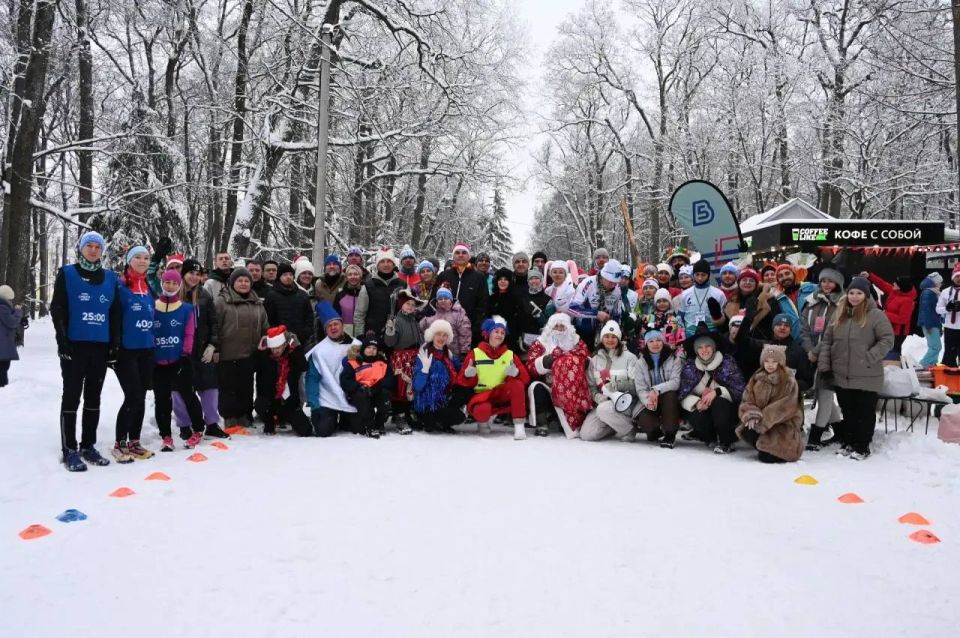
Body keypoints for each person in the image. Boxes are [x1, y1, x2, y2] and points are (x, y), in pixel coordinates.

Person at [51, 231, 121, 471]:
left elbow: (115, 314)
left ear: (102, 251)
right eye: (89, 246)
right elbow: (57, 308)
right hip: (74, 346)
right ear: (80, 248)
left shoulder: (111, 278)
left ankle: (88, 445)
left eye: (97, 247)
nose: (93, 250)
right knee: (71, 397)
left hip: (99, 347)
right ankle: (69, 449)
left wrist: (114, 344)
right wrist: (62, 340)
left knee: (93, 398)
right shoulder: (68, 274)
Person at [818, 276, 894, 460]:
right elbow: (827, 340)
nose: (854, 296)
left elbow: (887, 340)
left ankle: (862, 446)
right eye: (851, 292)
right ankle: (849, 442)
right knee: (848, 410)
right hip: (842, 374)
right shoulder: (839, 314)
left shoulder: (876, 315)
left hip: (867, 374)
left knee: (864, 412)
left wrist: (869, 356)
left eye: (859, 293)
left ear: (866, 295)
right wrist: (825, 365)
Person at [111, 246, 157, 462]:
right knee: (133, 396)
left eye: (146, 258)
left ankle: (134, 442)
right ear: (129, 261)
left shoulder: (148, 287)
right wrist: (112, 347)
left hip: (146, 349)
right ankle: (119, 443)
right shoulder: (119, 286)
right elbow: (112, 317)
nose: (142, 261)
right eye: (137, 257)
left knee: (140, 397)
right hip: (126, 350)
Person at [153, 270, 206, 452]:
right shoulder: (153, 306)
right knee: (162, 400)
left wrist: (185, 354)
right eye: (167, 282)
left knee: (188, 395)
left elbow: (189, 333)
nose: (170, 286)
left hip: (180, 360)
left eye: (174, 283)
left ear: (179, 285)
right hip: (158, 362)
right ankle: (166, 436)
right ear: (162, 283)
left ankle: (198, 429)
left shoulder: (187, 308)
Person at [175, 259, 227, 440]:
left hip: (203, 348)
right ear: (184, 274)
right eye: (191, 273)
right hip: (180, 350)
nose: (194, 277)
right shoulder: (175, 294)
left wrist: (213, 345)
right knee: (179, 389)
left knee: (210, 387)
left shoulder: (204, 295)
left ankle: (212, 423)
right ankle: (184, 424)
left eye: (198, 274)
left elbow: (213, 322)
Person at [453, 315, 529, 439]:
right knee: (482, 412)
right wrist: (468, 375)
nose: (499, 335)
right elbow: (461, 381)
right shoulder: (475, 353)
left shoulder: (510, 355)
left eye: (502, 332)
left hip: (502, 392)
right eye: (496, 331)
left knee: (517, 384)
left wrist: (516, 374)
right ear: (488, 334)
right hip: (482, 395)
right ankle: (483, 422)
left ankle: (519, 426)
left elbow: (525, 379)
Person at [214, 268, 269, 429]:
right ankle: (229, 416)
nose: (243, 284)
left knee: (246, 387)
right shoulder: (222, 301)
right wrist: (215, 347)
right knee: (228, 387)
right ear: (232, 283)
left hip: (249, 354)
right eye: (240, 281)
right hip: (227, 354)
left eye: (247, 281)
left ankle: (244, 414)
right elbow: (215, 326)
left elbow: (265, 325)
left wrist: (266, 338)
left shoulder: (257, 302)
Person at [678, 325, 746, 454]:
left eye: (707, 346)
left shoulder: (727, 362)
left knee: (719, 403)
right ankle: (709, 437)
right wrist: (696, 402)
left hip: (728, 410)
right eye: (700, 347)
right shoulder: (690, 366)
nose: (704, 350)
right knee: (694, 413)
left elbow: (740, 390)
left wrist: (717, 392)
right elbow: (683, 394)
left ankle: (727, 441)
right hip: (704, 408)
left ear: (713, 347)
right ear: (696, 350)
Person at [800, 267, 845, 450]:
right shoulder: (811, 302)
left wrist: (816, 351)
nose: (826, 284)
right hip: (811, 355)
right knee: (820, 392)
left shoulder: (842, 304)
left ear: (837, 284)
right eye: (823, 281)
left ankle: (815, 437)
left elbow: (833, 331)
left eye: (830, 281)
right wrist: (809, 350)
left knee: (825, 393)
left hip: (831, 355)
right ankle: (841, 431)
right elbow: (803, 329)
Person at [526, 313, 593, 438]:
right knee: (536, 388)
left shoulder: (576, 341)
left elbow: (588, 358)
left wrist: (578, 362)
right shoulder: (540, 343)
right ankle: (542, 423)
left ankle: (569, 422)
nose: (559, 329)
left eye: (562, 326)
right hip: (548, 384)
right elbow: (530, 365)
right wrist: (547, 361)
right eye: (556, 326)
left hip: (572, 389)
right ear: (550, 328)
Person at [737, 344, 805, 463]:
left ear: (780, 363)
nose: (770, 364)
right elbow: (747, 399)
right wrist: (752, 414)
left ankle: (775, 447)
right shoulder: (756, 378)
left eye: (774, 361)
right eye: (767, 361)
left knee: (768, 458)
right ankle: (763, 444)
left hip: (783, 425)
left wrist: (762, 421)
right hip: (764, 424)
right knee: (747, 428)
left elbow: (785, 407)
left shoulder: (788, 380)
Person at [306, 301, 361, 436]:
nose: (333, 327)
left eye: (336, 324)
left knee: (357, 428)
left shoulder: (356, 345)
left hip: (349, 396)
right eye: (329, 325)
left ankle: (345, 418)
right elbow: (312, 378)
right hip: (327, 397)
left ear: (342, 325)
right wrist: (314, 405)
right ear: (325, 329)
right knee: (323, 431)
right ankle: (329, 417)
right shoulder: (319, 351)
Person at [580, 321, 640, 442]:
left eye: (614, 337)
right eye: (606, 336)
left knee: (603, 409)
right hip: (604, 403)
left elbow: (637, 385)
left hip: (626, 403)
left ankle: (629, 429)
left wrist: (616, 385)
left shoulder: (630, 358)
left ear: (619, 339)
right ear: (602, 338)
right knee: (587, 435)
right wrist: (598, 397)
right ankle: (615, 425)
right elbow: (591, 386)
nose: (610, 340)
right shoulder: (595, 360)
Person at [254, 325, 312, 436]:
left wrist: (297, 347)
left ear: (285, 345)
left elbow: (304, 366)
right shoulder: (265, 357)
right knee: (260, 404)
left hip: (289, 403)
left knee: (306, 431)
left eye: (278, 347)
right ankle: (270, 420)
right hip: (270, 402)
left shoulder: (292, 356)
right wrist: (259, 351)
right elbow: (251, 368)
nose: (275, 351)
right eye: (273, 348)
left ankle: (283, 418)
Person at [734, 312, 812, 390]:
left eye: (786, 325)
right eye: (779, 324)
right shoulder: (762, 346)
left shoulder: (798, 351)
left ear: (790, 329)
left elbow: (807, 382)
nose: (782, 327)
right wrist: (748, 319)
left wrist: (786, 384)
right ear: (773, 327)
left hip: (787, 398)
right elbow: (741, 341)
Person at [633, 330, 683, 448]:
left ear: (663, 341)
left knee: (670, 395)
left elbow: (675, 382)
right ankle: (656, 431)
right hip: (649, 398)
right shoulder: (640, 362)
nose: (655, 344)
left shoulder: (674, 358)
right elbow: (640, 389)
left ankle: (670, 434)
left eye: (658, 340)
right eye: (651, 341)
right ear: (646, 344)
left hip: (669, 398)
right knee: (649, 427)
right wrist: (648, 401)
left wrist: (656, 390)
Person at [412, 320, 464, 433]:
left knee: (459, 417)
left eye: (445, 335)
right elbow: (418, 387)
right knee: (430, 423)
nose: (441, 338)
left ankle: (440, 421)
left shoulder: (448, 354)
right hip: (426, 404)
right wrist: (424, 370)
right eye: (438, 334)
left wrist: (468, 370)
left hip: (443, 400)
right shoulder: (424, 354)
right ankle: (430, 421)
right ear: (432, 335)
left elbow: (460, 371)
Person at [384, 289, 425, 432]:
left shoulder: (414, 320)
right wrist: (389, 331)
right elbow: (390, 343)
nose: (411, 307)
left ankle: (409, 413)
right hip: (401, 359)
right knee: (401, 387)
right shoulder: (397, 320)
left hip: (414, 357)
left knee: (412, 387)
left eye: (413, 305)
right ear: (401, 305)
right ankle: (399, 415)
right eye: (408, 304)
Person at [340, 335, 395, 438]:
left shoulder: (383, 364)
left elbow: (390, 380)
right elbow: (345, 380)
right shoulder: (354, 363)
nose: (371, 350)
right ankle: (369, 425)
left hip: (377, 392)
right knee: (358, 424)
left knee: (385, 396)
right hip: (360, 393)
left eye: (374, 348)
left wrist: (376, 387)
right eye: (369, 347)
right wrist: (359, 386)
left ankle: (379, 423)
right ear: (363, 349)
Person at [436, 242, 489, 344]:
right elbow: (434, 301)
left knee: (466, 359)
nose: (460, 255)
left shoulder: (479, 277)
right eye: (457, 252)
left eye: (464, 252)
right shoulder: (443, 276)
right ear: (453, 256)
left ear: (468, 256)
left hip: (469, 331)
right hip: (444, 329)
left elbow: (483, 305)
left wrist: (475, 327)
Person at [570, 259, 625, 346]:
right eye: (611, 282)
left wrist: (616, 332)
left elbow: (617, 314)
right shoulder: (588, 283)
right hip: (583, 332)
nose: (613, 285)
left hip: (605, 335)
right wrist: (596, 314)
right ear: (603, 276)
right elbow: (573, 308)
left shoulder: (617, 289)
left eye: (616, 282)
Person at [864, 271, 917, 361]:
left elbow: (903, 319)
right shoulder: (895, 291)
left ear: (901, 287)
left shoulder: (907, 301)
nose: (893, 284)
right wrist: (870, 276)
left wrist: (885, 314)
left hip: (898, 332)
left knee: (892, 353)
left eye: (895, 284)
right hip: (889, 328)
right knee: (890, 352)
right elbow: (883, 284)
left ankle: (893, 369)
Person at [355, 247, 406, 338]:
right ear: (377, 265)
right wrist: (360, 336)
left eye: (389, 261)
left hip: (397, 335)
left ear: (393, 264)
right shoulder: (368, 286)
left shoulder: (403, 285)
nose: (386, 264)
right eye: (382, 261)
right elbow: (359, 315)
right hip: (373, 336)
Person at [265, 263, 315, 348]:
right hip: (279, 341)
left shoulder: (302, 295)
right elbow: (269, 319)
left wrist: (306, 332)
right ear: (279, 277)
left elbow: (309, 316)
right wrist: (277, 334)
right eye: (285, 275)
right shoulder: (271, 295)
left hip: (301, 340)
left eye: (290, 274)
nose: (288, 277)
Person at [419, 287, 472, 359]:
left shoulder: (459, 314)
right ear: (437, 301)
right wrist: (424, 347)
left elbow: (465, 334)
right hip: (434, 354)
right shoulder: (431, 313)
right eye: (440, 299)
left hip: (454, 354)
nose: (443, 300)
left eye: (446, 298)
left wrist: (464, 351)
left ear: (451, 300)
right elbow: (421, 330)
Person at [677, 259, 727, 334]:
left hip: (711, 332)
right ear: (693, 275)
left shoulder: (718, 294)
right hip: (690, 333)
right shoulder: (685, 294)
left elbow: (723, 317)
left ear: (708, 275)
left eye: (703, 275)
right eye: (697, 274)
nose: (700, 278)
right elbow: (680, 316)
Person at [516, 268, 552, 354]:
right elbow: (518, 317)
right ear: (528, 281)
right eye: (531, 279)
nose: (534, 281)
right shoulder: (522, 297)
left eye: (536, 278)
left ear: (541, 280)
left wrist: (540, 317)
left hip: (542, 341)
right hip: (524, 340)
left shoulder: (548, 299)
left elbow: (550, 323)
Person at [917, 272, 943, 367]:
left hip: (932, 322)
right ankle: (923, 365)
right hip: (930, 324)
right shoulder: (929, 293)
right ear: (935, 283)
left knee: (934, 346)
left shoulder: (930, 292)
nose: (941, 284)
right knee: (936, 347)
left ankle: (931, 365)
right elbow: (926, 310)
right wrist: (928, 325)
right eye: (940, 282)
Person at [490, 267, 521, 350]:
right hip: (493, 336)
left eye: (506, 279)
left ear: (510, 282)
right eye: (500, 279)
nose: (502, 281)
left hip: (510, 338)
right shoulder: (491, 298)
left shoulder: (516, 298)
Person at [936, 264, 960, 366]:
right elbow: (938, 310)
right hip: (950, 328)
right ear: (953, 277)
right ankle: (949, 379)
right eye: (957, 276)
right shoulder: (945, 292)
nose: (959, 279)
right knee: (949, 355)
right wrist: (947, 308)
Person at [0, 284, 23, 388]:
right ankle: (3, 387)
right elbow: (11, 322)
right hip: (2, 343)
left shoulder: (3, 306)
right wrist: (18, 312)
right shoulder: (2, 307)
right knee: (3, 366)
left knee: (4, 366)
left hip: (3, 342)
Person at [333, 264, 365, 338]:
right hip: (345, 333)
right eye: (350, 274)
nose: (353, 277)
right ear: (346, 278)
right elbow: (336, 315)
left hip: (362, 332)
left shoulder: (366, 293)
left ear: (360, 277)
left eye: (356, 274)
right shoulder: (340, 294)